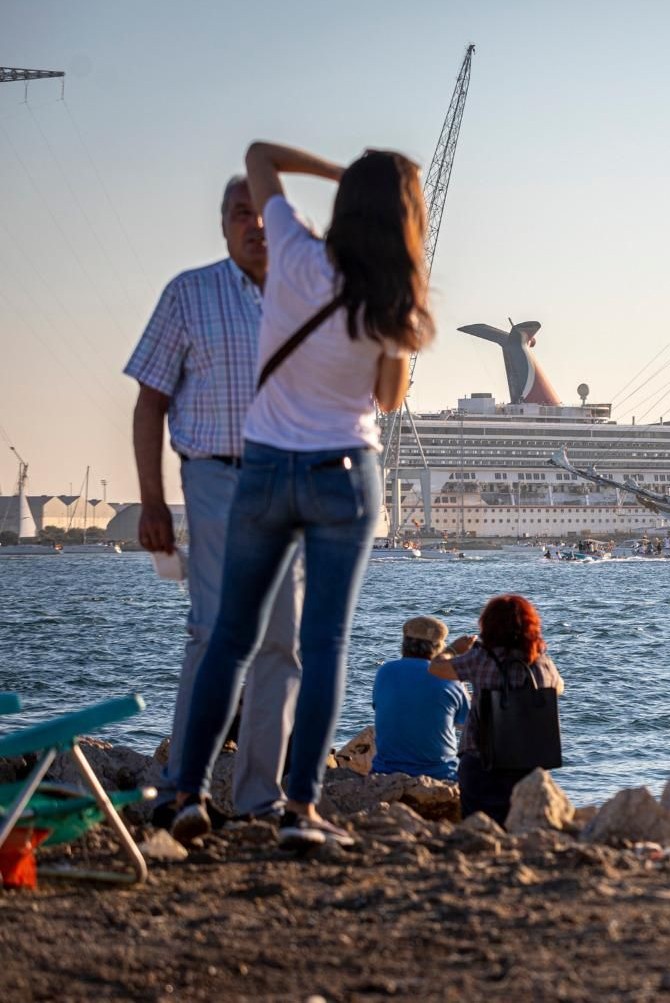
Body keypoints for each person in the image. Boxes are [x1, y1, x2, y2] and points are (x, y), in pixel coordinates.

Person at [171, 142, 434, 850]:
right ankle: (299, 811)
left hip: (264, 468)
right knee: (323, 646)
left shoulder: (290, 248)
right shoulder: (391, 294)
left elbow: (258, 153)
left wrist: (337, 171)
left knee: (229, 638)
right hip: (344, 473)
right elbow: (384, 396)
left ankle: (188, 793)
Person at [124, 175, 304, 825]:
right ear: (223, 226)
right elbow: (149, 402)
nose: (254, 225)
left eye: (265, 215)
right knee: (214, 629)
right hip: (215, 476)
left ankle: (260, 799)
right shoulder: (188, 294)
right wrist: (152, 503)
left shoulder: (304, 298)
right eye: (240, 214)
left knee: (282, 642)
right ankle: (184, 789)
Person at [430, 594, 564, 824]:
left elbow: (436, 668)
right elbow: (558, 688)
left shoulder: (481, 657)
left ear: (487, 625)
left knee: (478, 827)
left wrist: (454, 648)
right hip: (529, 765)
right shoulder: (542, 662)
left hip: (481, 761)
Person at [371, 617, 470, 781]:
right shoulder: (449, 679)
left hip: (385, 773)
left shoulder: (385, 672)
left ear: (404, 644)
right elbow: (467, 721)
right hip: (440, 775)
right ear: (439, 647)